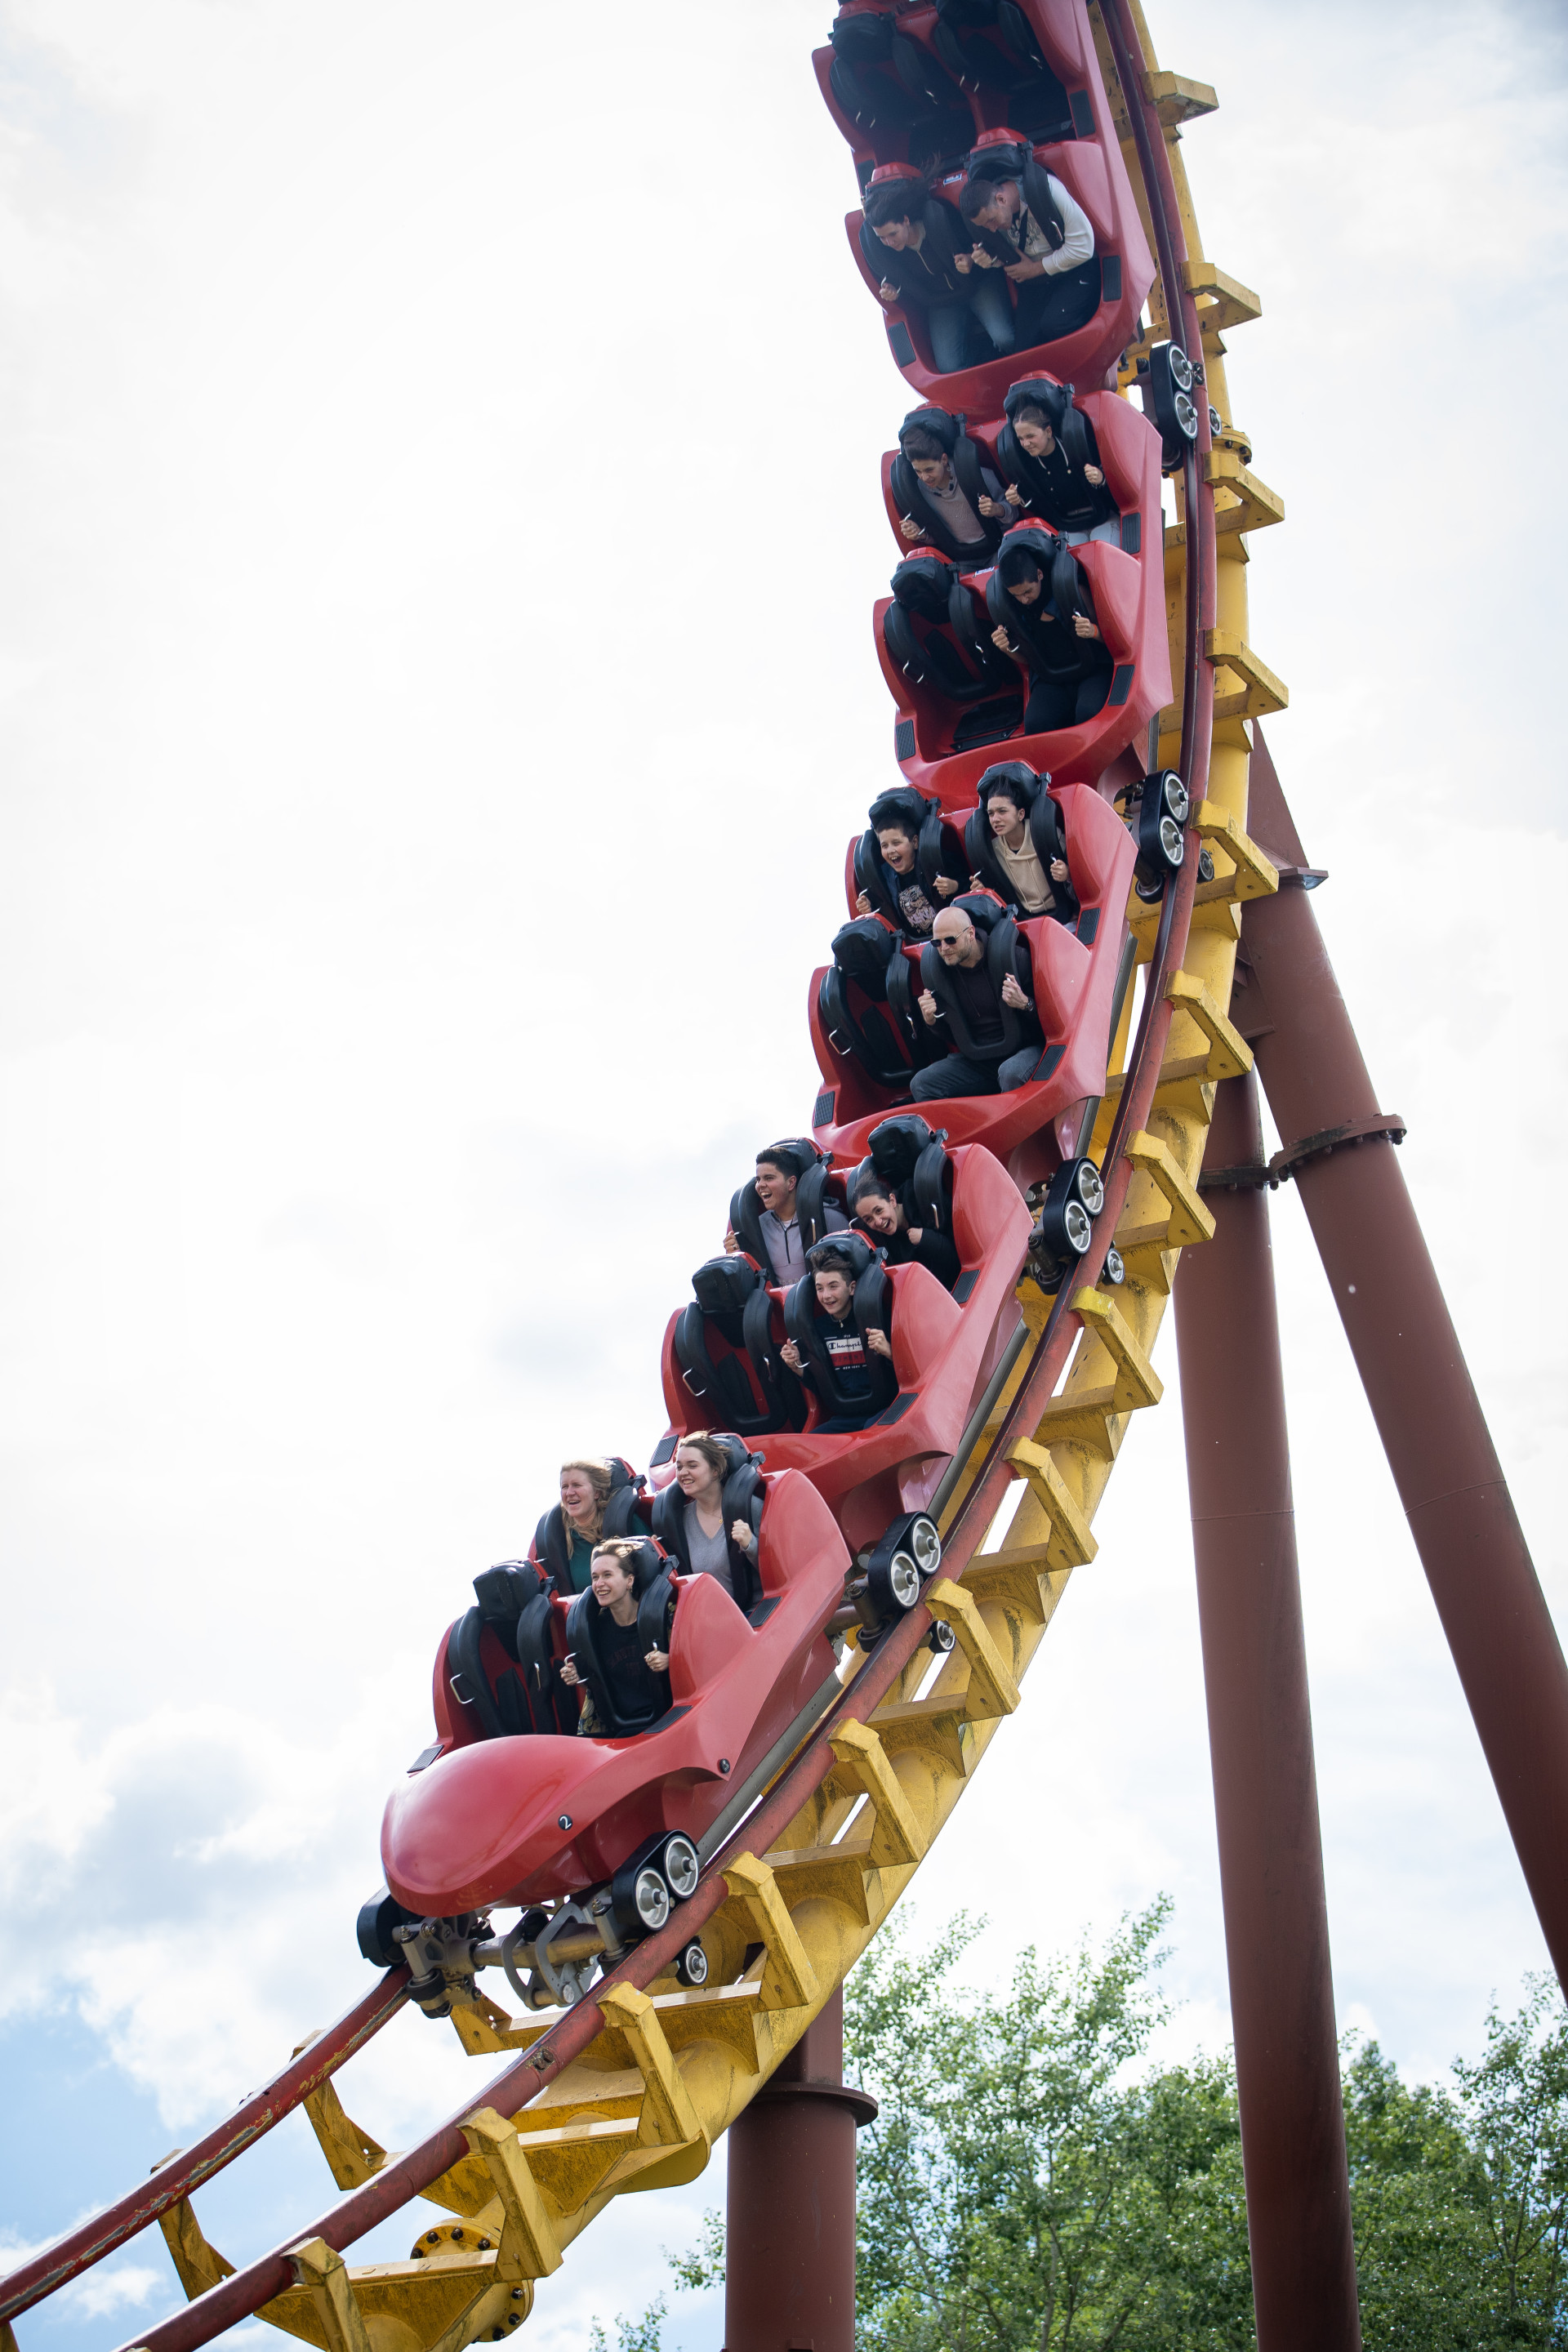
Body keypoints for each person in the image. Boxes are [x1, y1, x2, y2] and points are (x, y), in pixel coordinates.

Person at [859, 167, 1014, 373]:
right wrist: (892, 288)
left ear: (905, 221)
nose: (888, 242)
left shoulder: (939, 220)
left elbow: (979, 241)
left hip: (977, 284)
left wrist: (971, 259)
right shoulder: (889, 252)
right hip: (942, 301)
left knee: (1005, 338)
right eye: (882, 238)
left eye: (893, 234)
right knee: (948, 366)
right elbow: (897, 278)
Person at [958, 149, 1099, 349]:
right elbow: (1007, 256)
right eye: (985, 226)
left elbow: (1084, 247)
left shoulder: (1047, 189)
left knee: (1056, 324)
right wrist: (989, 261)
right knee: (1025, 346)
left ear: (1001, 199)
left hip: (1074, 270)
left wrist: (1035, 269)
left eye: (991, 220)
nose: (991, 229)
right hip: (1035, 283)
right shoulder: (995, 219)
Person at [911, 903, 1042, 1102]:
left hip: (1025, 1050)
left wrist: (1025, 1004)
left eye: (950, 940)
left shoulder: (1015, 959)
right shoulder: (941, 976)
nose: (944, 949)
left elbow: (1048, 1022)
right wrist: (932, 1022)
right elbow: (954, 1035)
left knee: (1010, 1073)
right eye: (937, 943)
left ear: (970, 933)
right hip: (980, 1060)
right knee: (921, 1083)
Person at [988, 534, 1112, 734]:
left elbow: (1113, 638)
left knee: (1088, 714)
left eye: (1027, 592)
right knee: (1036, 724)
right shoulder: (1014, 610)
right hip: (1052, 678)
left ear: (1039, 575)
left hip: (1092, 669)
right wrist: (1007, 648)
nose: (1024, 600)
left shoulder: (1070, 591)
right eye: (1016, 595)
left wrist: (1093, 631)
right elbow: (1027, 659)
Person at [559, 1539, 674, 1735]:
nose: (599, 1584)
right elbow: (596, 1681)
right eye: (595, 1577)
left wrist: (672, 1660)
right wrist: (579, 1673)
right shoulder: (593, 1630)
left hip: (670, 1723)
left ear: (629, 1580)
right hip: (621, 1730)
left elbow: (701, 1659)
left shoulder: (665, 1616)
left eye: (607, 1575)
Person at [781, 1244, 894, 1432]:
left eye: (833, 1287)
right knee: (812, 1443)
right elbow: (821, 1386)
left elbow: (910, 1374)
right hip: (846, 1415)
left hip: (885, 1409)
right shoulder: (819, 1328)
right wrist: (798, 1367)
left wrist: (889, 1351)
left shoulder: (877, 1317)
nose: (826, 1296)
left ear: (852, 1288)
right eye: (820, 1288)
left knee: (870, 1430)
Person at [998, 385, 1119, 542]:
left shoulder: (1078, 447)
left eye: (1030, 436)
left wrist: (1102, 479)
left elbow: (1118, 485)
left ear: (1048, 432)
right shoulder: (1029, 466)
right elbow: (1038, 505)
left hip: (1103, 517)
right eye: (1021, 439)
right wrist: (1018, 498)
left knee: (1101, 549)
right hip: (1069, 525)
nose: (1026, 443)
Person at [967, 767, 1079, 923]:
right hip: (1024, 924)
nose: (995, 819)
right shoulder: (992, 852)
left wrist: (1068, 875)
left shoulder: (1047, 836)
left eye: (1002, 811)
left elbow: (1084, 884)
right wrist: (984, 890)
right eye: (991, 813)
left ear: (1021, 814)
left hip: (1067, 919)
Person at [726, 1140, 849, 1281]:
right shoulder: (755, 1229)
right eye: (758, 1180)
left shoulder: (828, 1218)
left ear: (791, 1183)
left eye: (769, 1178)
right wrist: (736, 1256)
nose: (760, 1185)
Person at [854, 786, 965, 940]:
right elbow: (885, 908)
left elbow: (967, 881)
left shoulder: (936, 859)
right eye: (884, 846)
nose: (891, 850)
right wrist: (870, 907)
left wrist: (954, 886)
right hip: (916, 942)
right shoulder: (884, 877)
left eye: (896, 843)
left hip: (951, 937)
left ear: (914, 842)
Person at [894, 418, 1011, 564]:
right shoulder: (921, 492)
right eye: (918, 471)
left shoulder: (975, 475)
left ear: (943, 460)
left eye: (929, 470)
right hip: (963, 559)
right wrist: (920, 534)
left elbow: (1013, 513)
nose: (925, 477)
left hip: (998, 549)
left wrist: (997, 509)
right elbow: (937, 534)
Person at [671, 1433, 755, 1604]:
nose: (683, 1473)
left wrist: (751, 1544)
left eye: (692, 1465)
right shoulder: (678, 1520)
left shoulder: (750, 1507)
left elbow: (780, 1570)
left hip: (756, 1612)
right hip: (712, 1617)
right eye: (679, 1467)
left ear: (715, 1470)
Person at [851, 1170, 961, 1290]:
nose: (878, 1221)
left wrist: (926, 1239)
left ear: (892, 1201)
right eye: (869, 1219)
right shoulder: (876, 1239)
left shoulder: (926, 1202)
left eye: (879, 1211)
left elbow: (958, 1258)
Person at [551, 1459, 616, 1595]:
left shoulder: (620, 1522)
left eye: (577, 1485)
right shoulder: (557, 1536)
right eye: (564, 1487)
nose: (569, 1492)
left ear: (597, 1492)